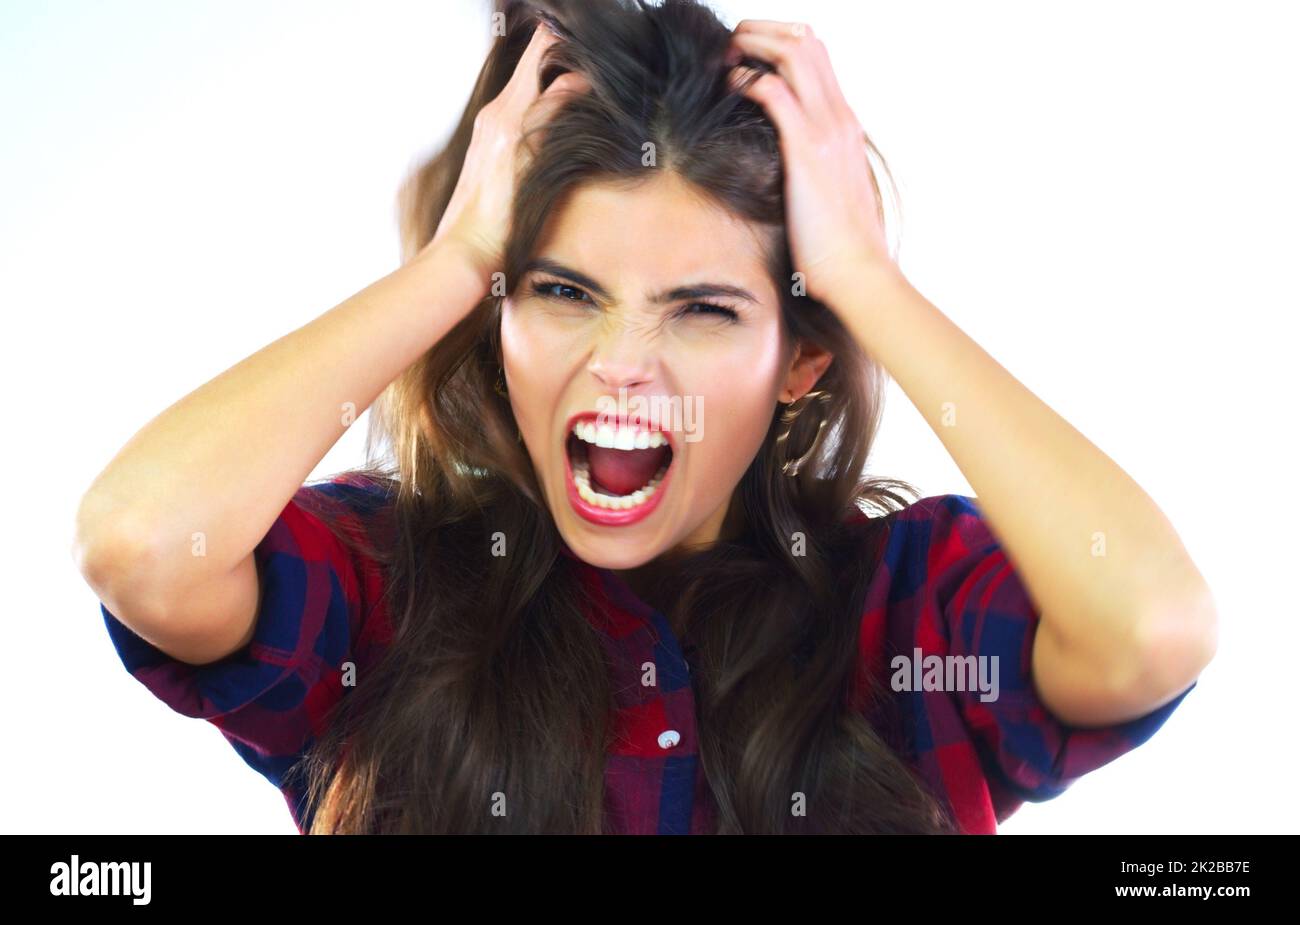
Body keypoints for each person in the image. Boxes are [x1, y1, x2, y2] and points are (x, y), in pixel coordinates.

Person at [74, 0, 1215, 834]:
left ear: (798, 359)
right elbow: (142, 541)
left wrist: (864, 276)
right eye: (566, 292)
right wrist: (464, 254)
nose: (624, 367)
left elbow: (1150, 627)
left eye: (704, 309)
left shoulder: (900, 613)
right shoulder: (385, 592)